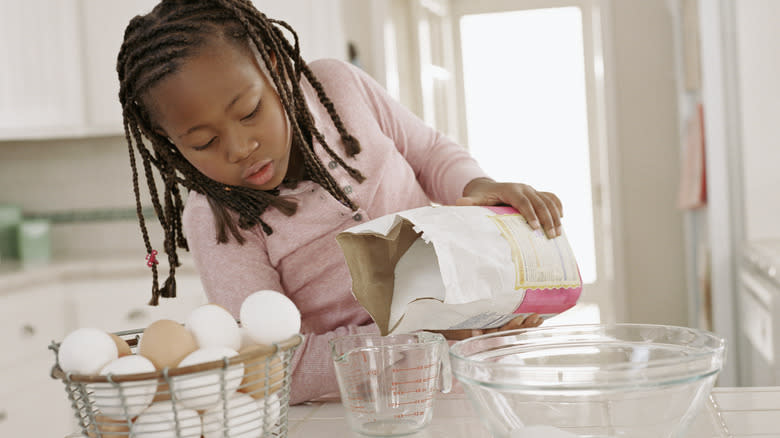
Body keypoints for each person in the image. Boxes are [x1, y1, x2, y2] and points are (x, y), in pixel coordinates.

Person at [117, 0, 564, 404]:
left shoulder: (337, 88)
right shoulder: (218, 220)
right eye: (204, 141)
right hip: (372, 403)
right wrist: (426, 333)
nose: (238, 147)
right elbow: (277, 365)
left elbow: (428, 151)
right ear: (169, 142)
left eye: (250, 111)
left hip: (479, 362)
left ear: (274, 68)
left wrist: (475, 186)